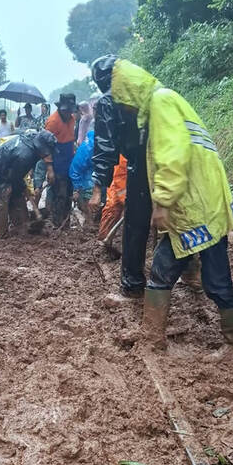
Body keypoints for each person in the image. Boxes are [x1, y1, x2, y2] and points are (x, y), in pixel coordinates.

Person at [89, 55, 233, 354]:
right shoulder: (157, 104)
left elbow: (172, 157)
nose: (123, 111)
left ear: (128, 93)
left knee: (216, 279)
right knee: (164, 268)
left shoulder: (161, 103)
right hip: (195, 204)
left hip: (199, 206)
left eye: (121, 104)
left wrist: (162, 203)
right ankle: (153, 337)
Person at [89, 58, 153, 304]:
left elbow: (105, 146)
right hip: (169, 156)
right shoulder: (146, 93)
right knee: (175, 215)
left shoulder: (109, 100)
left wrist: (98, 189)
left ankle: (133, 285)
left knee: (136, 224)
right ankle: (190, 271)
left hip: (142, 163)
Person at [0, 130, 56, 237]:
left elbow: (18, 176)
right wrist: (25, 189)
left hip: (13, 171)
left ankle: (21, 228)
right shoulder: (24, 155)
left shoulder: (33, 142)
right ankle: (0, 234)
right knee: (2, 201)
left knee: (18, 199)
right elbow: (15, 178)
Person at [45, 93, 76, 227]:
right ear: (61, 108)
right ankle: (57, 223)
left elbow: (71, 139)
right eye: (66, 111)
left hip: (69, 159)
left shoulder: (72, 119)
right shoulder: (53, 122)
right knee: (60, 194)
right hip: (57, 161)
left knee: (69, 193)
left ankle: (66, 223)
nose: (68, 113)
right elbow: (45, 146)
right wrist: (49, 169)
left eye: (70, 111)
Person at [97, 155, 127, 246]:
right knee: (112, 209)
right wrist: (125, 199)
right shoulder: (124, 156)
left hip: (129, 187)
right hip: (119, 188)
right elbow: (120, 176)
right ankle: (104, 240)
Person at [69, 129, 95, 224]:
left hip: (96, 178)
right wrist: (76, 189)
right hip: (87, 181)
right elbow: (75, 170)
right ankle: (90, 223)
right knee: (87, 205)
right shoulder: (87, 148)